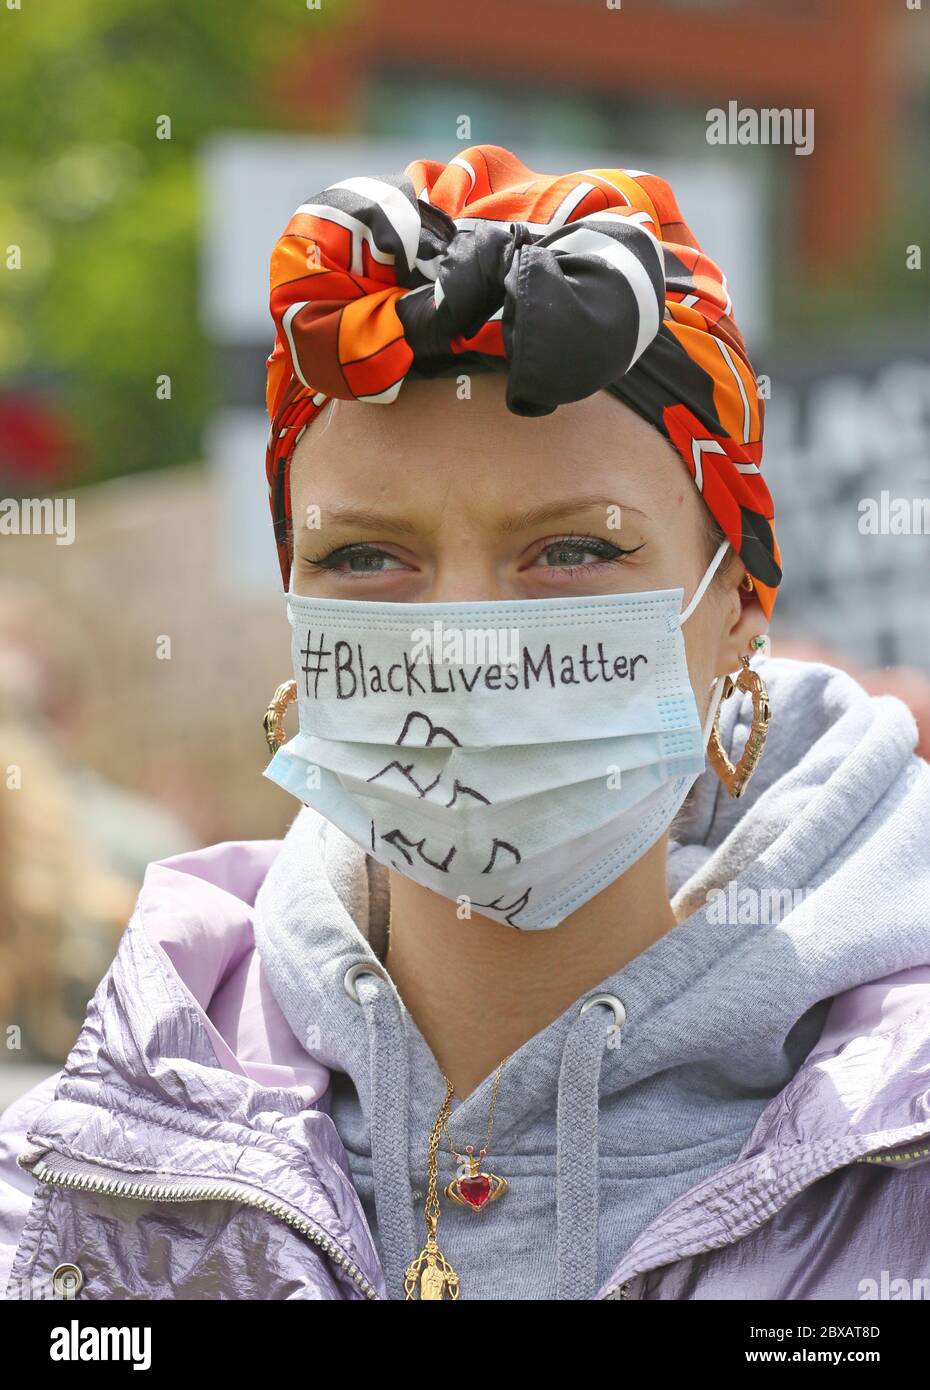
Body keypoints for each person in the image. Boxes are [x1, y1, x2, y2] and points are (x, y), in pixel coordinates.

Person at [2, 144, 929, 1303]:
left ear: (739, 603)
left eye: (574, 549)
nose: (463, 642)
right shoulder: (75, 1200)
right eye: (366, 557)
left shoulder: (898, 1161)